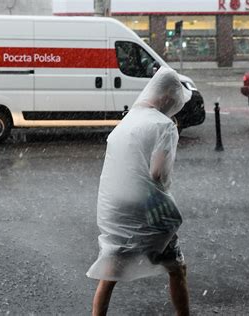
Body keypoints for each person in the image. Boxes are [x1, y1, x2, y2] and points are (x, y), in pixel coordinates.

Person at [87, 67, 191, 316]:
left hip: (117, 208)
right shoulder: (164, 126)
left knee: (109, 274)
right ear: (167, 97)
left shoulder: (128, 121)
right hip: (148, 209)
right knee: (176, 268)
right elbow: (158, 174)